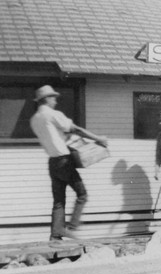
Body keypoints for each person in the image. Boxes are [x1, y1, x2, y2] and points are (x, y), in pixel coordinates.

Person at [30, 85, 108, 241]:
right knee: (82, 194)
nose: (55, 101)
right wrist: (98, 138)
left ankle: (55, 235)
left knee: (58, 201)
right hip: (64, 161)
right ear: (46, 99)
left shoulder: (34, 119)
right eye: (53, 98)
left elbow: (54, 136)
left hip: (52, 162)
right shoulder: (53, 114)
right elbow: (76, 129)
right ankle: (72, 226)